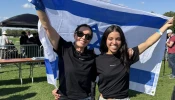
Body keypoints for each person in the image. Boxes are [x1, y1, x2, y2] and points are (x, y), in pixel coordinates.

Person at [96, 17, 174, 100]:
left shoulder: (127, 55)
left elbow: (148, 43)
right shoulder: (97, 60)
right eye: (110, 39)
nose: (114, 42)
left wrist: (165, 26)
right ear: (105, 40)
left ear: (122, 41)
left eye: (118, 39)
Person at [36, 10, 97, 100]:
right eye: (80, 34)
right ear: (74, 35)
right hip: (64, 97)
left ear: (90, 40)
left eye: (88, 36)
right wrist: (39, 7)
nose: (83, 38)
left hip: (85, 98)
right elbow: (47, 27)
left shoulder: (92, 56)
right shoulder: (65, 48)